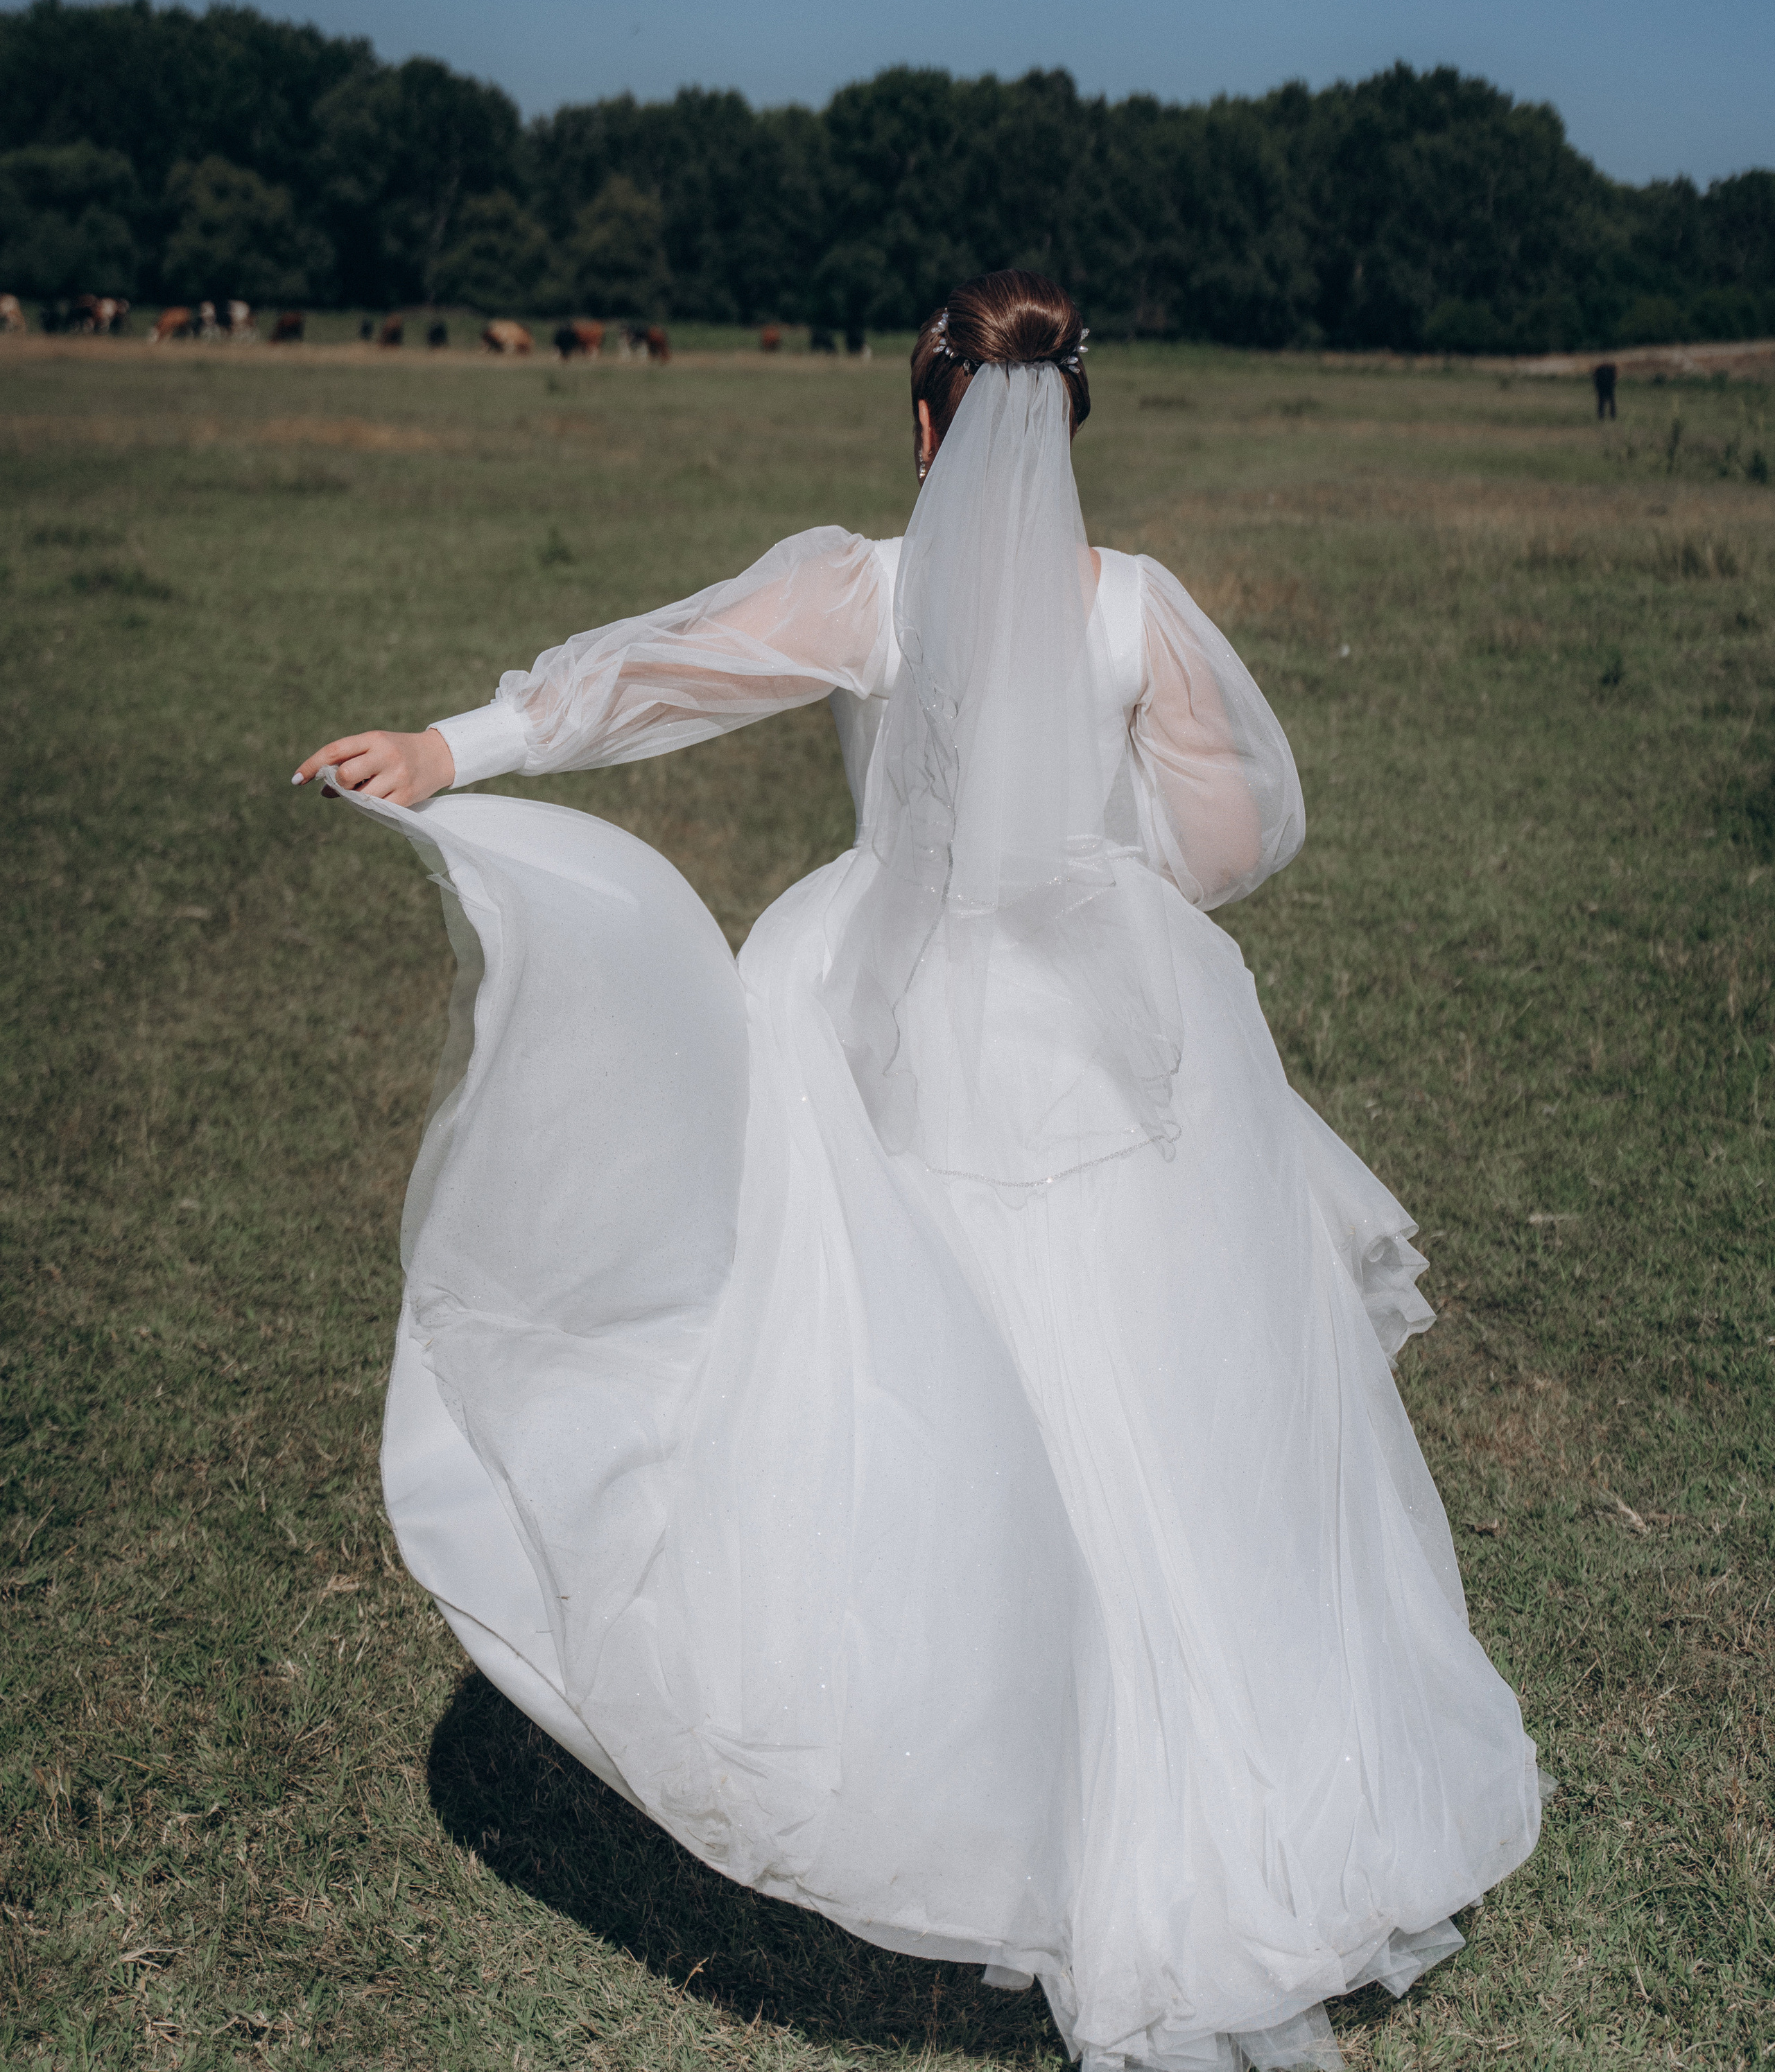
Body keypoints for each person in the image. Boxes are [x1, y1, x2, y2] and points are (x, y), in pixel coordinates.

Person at [296, 272, 1543, 2072]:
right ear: (1075, 421)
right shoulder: (1143, 617)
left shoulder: (872, 591)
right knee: (1166, 1428)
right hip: (1120, 1071)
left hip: (900, 1045)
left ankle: (957, 1751)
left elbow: (656, 676)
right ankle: (1198, 1778)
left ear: (923, 421)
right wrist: (1096, 886)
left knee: (911, 1390)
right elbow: (1238, 832)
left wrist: (453, 747)